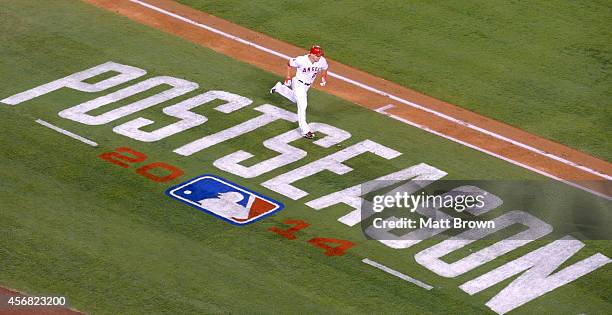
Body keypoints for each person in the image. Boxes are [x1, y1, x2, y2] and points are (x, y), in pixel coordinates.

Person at [270, 45, 328, 139]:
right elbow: (289, 63)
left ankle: (279, 88)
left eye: (320, 55)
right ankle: (305, 130)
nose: (319, 57)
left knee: (295, 99)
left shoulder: (322, 60)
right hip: (298, 83)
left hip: (307, 86)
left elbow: (325, 68)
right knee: (302, 105)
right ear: (311, 54)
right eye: (317, 55)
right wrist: (288, 77)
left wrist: (323, 77)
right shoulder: (301, 60)